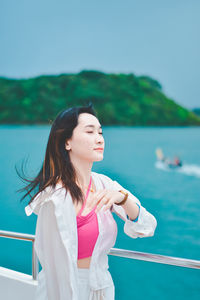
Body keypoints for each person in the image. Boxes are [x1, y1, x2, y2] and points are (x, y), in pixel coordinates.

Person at [18, 103, 157, 300]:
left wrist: (122, 198)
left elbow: (147, 227)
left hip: (102, 286)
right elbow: (55, 267)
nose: (99, 138)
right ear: (67, 142)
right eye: (90, 132)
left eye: (100, 132)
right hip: (66, 289)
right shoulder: (54, 198)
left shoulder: (104, 183)